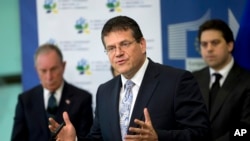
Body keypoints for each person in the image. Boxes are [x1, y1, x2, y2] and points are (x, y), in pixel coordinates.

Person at [49, 15, 210, 141]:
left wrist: (158, 137)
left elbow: (201, 134)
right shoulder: (104, 91)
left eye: (124, 44)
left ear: (142, 44)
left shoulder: (177, 81)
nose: (118, 53)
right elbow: (98, 138)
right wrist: (74, 139)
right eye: (111, 48)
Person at [11, 44, 93, 141]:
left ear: (63, 66)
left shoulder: (82, 99)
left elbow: (88, 138)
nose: (49, 77)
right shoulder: (25, 100)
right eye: (43, 71)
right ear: (36, 70)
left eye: (53, 69)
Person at [193, 19, 250, 141]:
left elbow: (246, 130)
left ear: (230, 45)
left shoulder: (247, 81)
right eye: (204, 44)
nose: (209, 49)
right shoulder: (193, 79)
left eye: (215, 43)